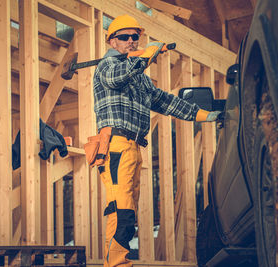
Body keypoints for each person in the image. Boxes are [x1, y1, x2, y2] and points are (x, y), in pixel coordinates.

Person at [93, 14, 221, 267]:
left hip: (133, 148)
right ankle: (116, 265)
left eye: (135, 37)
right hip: (116, 145)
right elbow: (117, 77)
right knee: (122, 212)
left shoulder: (139, 77)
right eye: (124, 37)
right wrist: (146, 55)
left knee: (128, 213)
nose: (131, 40)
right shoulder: (107, 66)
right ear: (112, 42)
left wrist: (203, 115)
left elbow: (166, 101)